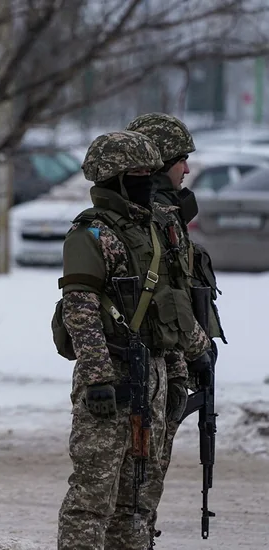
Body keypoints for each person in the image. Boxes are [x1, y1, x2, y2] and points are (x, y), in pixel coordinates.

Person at [52, 130, 211, 550]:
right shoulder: (91, 234)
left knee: (138, 498)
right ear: (116, 179)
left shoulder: (151, 230)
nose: (149, 181)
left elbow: (165, 311)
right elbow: (80, 309)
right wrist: (98, 379)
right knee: (93, 496)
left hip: (152, 374)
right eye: (139, 174)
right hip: (114, 376)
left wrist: (178, 369)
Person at [125, 112, 226, 547]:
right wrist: (197, 348)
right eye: (181, 158)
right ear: (161, 159)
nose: (187, 168)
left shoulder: (163, 213)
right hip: (150, 359)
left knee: (144, 480)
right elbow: (169, 296)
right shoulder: (153, 217)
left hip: (167, 358)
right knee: (138, 479)